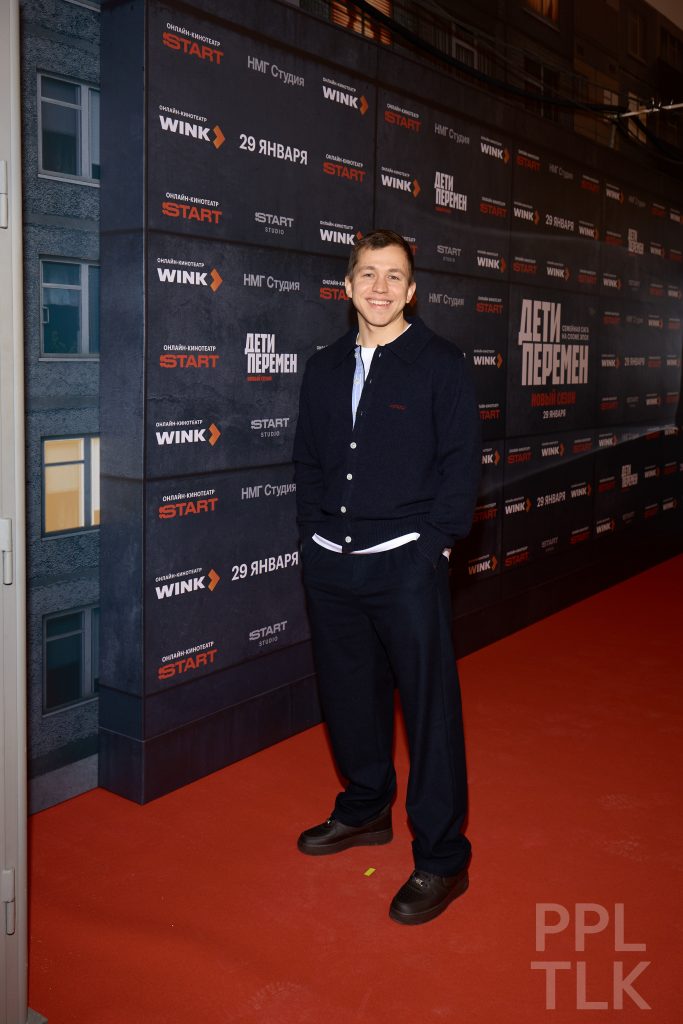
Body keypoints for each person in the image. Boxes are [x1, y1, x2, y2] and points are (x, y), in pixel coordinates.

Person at [293, 228, 481, 925]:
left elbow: (461, 465)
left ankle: (442, 858)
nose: (379, 287)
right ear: (347, 287)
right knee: (347, 696)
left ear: (412, 291)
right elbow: (307, 461)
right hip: (330, 562)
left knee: (429, 714)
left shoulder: (441, 363)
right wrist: (311, 541)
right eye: (367, 274)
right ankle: (366, 808)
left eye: (394, 276)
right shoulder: (322, 367)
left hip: (404, 562)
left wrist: (431, 547)